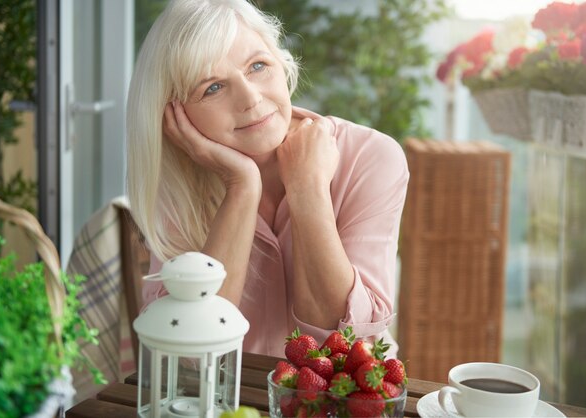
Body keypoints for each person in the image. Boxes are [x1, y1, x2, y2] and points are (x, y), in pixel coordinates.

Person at [126, 0, 409, 358]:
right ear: (174, 116)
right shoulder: (178, 183)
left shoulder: (371, 156)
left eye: (258, 66)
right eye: (212, 87)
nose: (251, 98)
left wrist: (308, 189)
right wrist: (241, 186)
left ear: (281, 62)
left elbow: (342, 339)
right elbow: (186, 351)